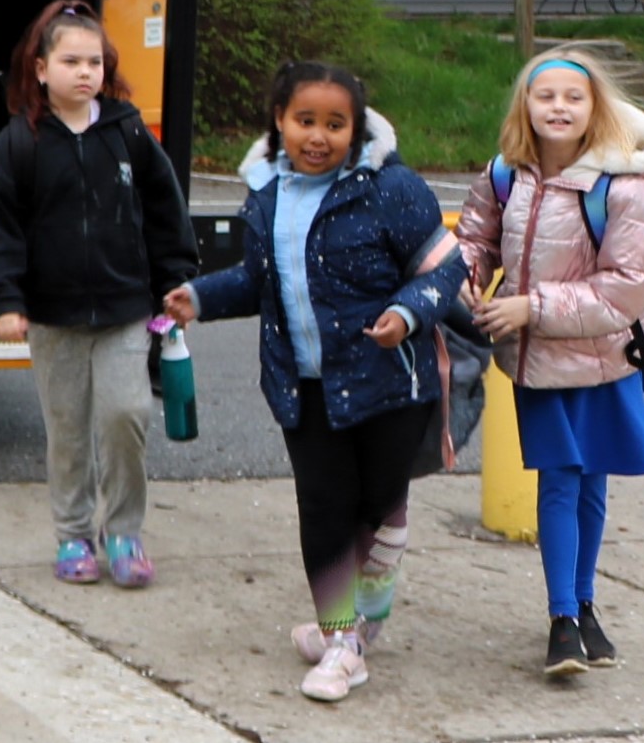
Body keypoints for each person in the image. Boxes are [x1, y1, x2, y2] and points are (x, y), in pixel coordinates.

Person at [163, 61, 466, 703]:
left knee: (380, 511)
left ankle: (365, 618)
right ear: (279, 122)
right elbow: (257, 281)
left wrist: (407, 312)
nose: (318, 136)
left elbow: (445, 269)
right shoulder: (266, 193)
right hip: (303, 390)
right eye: (305, 121)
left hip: (389, 385)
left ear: (356, 130)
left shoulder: (391, 189)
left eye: (335, 124)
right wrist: (200, 296)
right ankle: (342, 641)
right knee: (324, 511)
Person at [457, 46, 644, 677]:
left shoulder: (624, 186)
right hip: (539, 363)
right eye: (544, 94)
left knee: (591, 481)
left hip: (605, 355)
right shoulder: (504, 174)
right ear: (524, 104)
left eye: (573, 97)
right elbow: (476, 238)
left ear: (595, 108)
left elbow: (628, 284)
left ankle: (584, 605)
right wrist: (467, 276)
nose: (558, 107)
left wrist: (532, 306)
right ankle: (561, 620)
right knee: (559, 478)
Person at [0, 0, 199, 589]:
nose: (84, 72)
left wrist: (176, 280)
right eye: (70, 60)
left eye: (94, 62)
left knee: (126, 415)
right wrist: (4, 302)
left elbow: (165, 211)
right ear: (40, 70)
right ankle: (73, 534)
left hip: (126, 309)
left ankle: (124, 531)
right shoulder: (17, 145)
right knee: (68, 430)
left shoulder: (127, 133)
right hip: (53, 316)